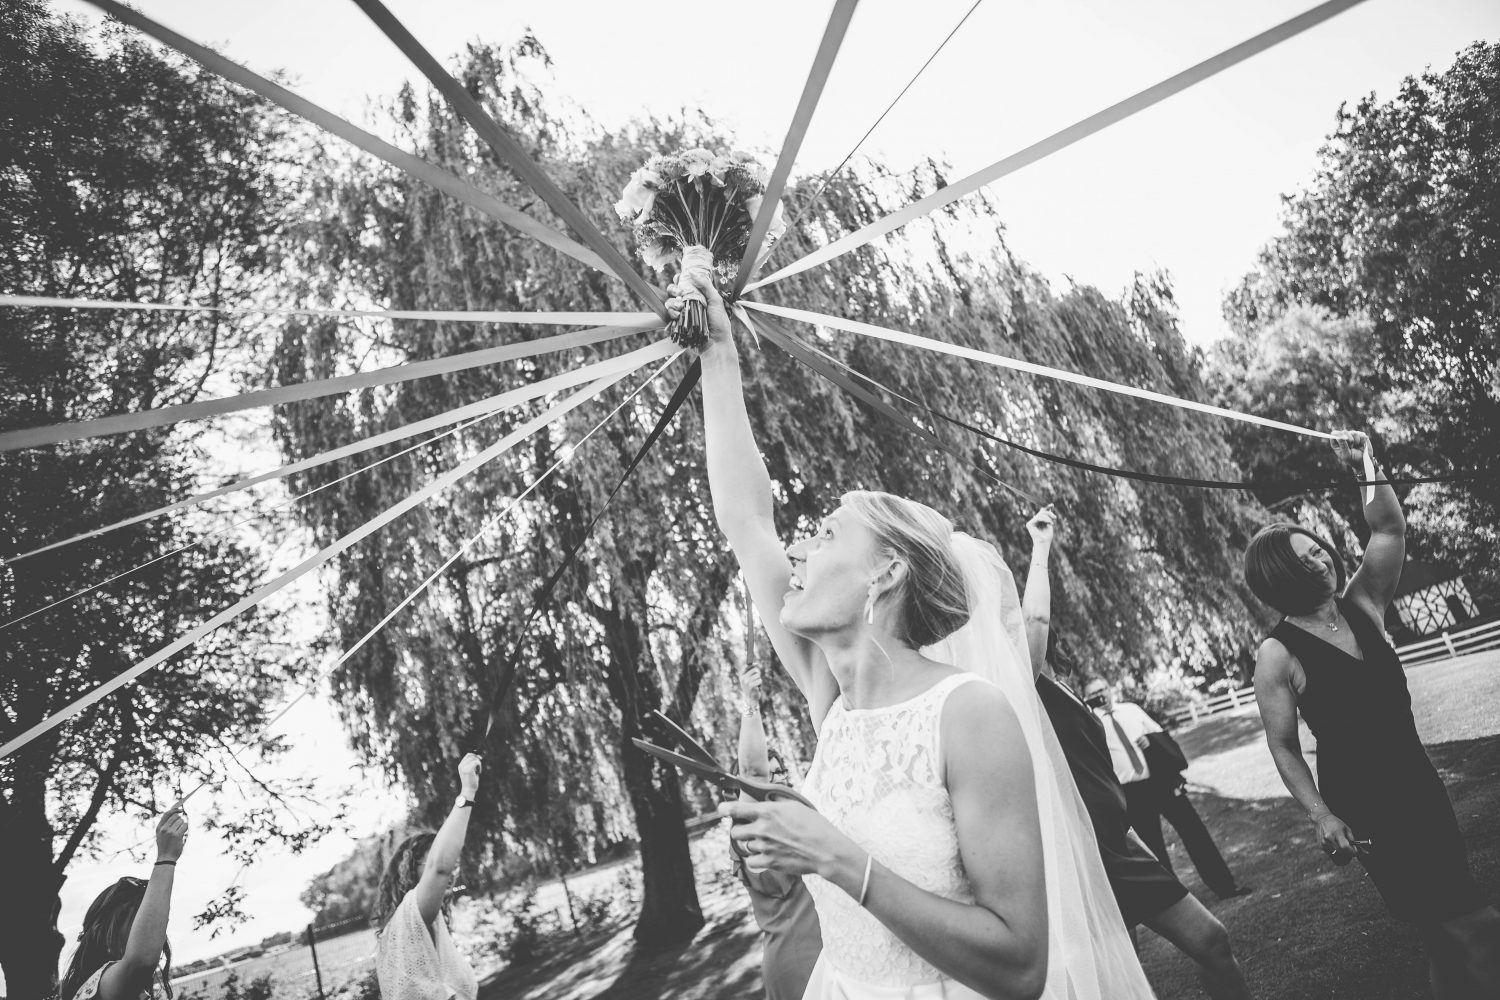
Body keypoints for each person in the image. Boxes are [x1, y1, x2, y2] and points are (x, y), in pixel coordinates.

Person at [680, 271, 1153, 1000]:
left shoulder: (970, 714)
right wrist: (718, 352)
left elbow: (1020, 966)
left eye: (824, 535)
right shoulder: (832, 701)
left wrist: (836, 858)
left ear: (885, 574)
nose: (797, 551)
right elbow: (748, 523)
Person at [1247, 430, 1500, 997]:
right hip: (1368, 805)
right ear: (1280, 579)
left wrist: (1364, 462)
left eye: (1319, 549)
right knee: (1476, 926)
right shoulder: (1277, 654)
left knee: (1441, 933)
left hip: (1419, 784)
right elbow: (1283, 745)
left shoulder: (1363, 602)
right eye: (1305, 560)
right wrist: (1321, 815)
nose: (1322, 560)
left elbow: (1388, 528)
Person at [1022, 506, 1252, 999]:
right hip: (1086, 852)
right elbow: (1035, 616)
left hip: (1118, 840)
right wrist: (1040, 547)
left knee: (1211, 941)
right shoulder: (1026, 686)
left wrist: (1132, 838)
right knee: (1114, 978)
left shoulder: (1061, 690)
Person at [1083, 679, 1248, 901]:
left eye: (1102, 688)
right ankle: (1176, 900)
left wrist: (1149, 741)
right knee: (1153, 850)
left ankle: (1225, 886)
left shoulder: (1131, 710)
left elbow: (1163, 738)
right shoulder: (1091, 724)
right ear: (1088, 698)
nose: (1100, 694)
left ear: (1109, 689)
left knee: (1194, 832)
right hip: (1131, 793)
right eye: (1094, 693)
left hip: (1160, 782)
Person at [730, 666, 822, 1000]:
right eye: (770, 775)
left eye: (781, 770)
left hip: (828, 952)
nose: (778, 777)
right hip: (800, 961)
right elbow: (752, 772)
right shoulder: (749, 830)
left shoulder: (794, 821)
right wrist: (750, 703)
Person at [373, 753, 482, 1000]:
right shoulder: (408, 918)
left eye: (455, 865)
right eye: (433, 862)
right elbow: (439, 867)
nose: (451, 872)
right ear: (410, 871)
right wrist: (467, 791)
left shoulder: (425, 925)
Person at [57, 802, 188, 1000]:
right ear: (105, 932)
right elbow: (140, 960)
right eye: (140, 923)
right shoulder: (104, 983)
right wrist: (166, 858)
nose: (156, 932)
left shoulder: (93, 986)